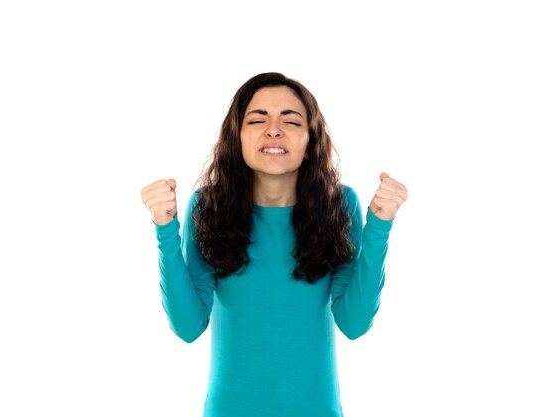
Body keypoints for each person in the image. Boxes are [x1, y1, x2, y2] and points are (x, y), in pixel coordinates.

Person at [140, 72, 408, 417]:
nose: (273, 129)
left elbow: (354, 324)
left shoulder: (340, 205)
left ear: (310, 139)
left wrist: (380, 225)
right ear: (237, 136)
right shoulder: (208, 207)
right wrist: (165, 230)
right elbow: (188, 327)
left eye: (291, 120)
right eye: (257, 119)